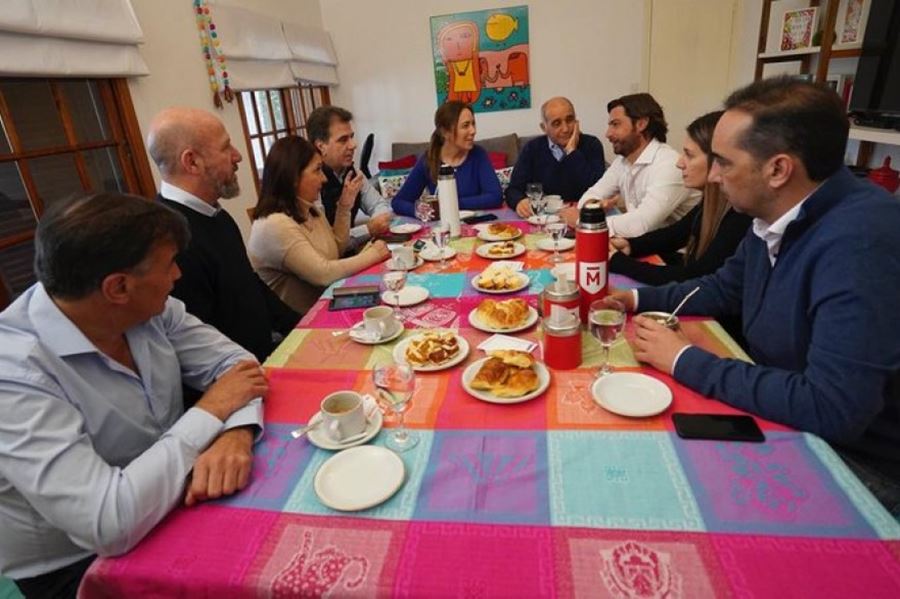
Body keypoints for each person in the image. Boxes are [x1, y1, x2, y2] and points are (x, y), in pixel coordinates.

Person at [608, 77, 900, 515]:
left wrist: (685, 360)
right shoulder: (774, 215)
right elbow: (724, 288)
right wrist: (631, 301)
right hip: (790, 411)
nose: (715, 175)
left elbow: (832, 406)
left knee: (666, 497)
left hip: (856, 461)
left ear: (778, 169)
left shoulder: (860, 242)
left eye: (724, 162)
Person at [0, 193, 268, 597]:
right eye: (169, 264)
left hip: (176, 495)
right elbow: (108, 523)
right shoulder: (14, 372)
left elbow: (240, 367)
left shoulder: (149, 310)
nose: (178, 274)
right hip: (77, 564)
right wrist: (212, 410)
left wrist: (235, 434)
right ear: (118, 287)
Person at [148, 107, 298, 365]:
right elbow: (198, 344)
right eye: (226, 147)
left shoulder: (218, 215)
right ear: (192, 162)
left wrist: (301, 328)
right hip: (240, 376)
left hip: (269, 355)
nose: (237, 156)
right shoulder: (167, 239)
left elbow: (250, 285)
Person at [247, 136, 390, 314]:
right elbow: (323, 274)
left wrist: (344, 207)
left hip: (328, 303)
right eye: (317, 171)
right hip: (299, 321)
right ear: (293, 177)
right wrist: (373, 254)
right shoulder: (274, 224)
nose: (323, 179)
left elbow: (337, 249)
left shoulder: (308, 208)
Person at [609, 110, 751, 285]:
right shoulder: (711, 201)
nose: (679, 163)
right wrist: (631, 245)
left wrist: (619, 262)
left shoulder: (740, 216)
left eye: (689, 155)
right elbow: (677, 233)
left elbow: (695, 276)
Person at [562, 93, 700, 237]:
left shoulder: (669, 164)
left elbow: (641, 224)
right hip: (641, 244)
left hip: (673, 254)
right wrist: (595, 206)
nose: (607, 134)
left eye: (615, 124)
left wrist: (583, 221)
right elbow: (591, 194)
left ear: (641, 124)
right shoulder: (623, 161)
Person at [391, 101, 503, 217]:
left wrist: (449, 204)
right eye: (465, 125)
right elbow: (399, 202)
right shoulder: (429, 160)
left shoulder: (478, 155)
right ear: (445, 132)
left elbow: (495, 197)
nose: (473, 131)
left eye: (473, 124)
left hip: (475, 226)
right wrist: (417, 210)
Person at [306, 106, 393, 248]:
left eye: (351, 137)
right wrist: (367, 229)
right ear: (321, 146)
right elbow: (326, 246)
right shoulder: (310, 183)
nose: (353, 145)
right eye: (343, 140)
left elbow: (380, 205)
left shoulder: (353, 172)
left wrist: (377, 223)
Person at [506, 96, 606, 216]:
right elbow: (513, 189)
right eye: (557, 123)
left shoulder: (592, 144)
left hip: (582, 215)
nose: (565, 129)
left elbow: (599, 188)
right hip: (544, 217)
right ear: (544, 128)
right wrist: (519, 201)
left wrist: (572, 152)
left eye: (569, 120)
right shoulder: (532, 148)